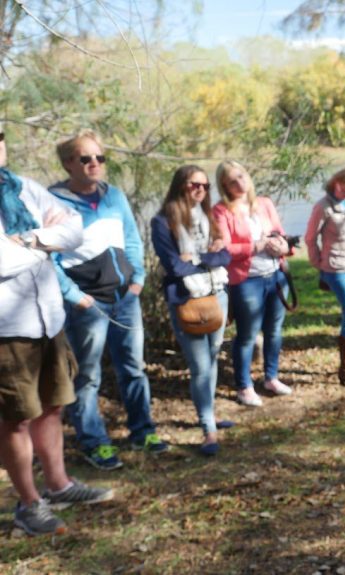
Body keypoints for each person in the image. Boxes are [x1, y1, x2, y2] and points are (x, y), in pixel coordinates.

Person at [0, 128, 113, 535]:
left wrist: (30, 239)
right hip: (7, 330)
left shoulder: (23, 188)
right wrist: (45, 245)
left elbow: (74, 230)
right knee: (15, 418)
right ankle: (29, 505)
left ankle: (59, 484)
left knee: (52, 404)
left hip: (47, 318)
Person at [49, 130, 167, 471]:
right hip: (87, 304)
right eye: (85, 159)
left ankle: (142, 431)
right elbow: (49, 259)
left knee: (134, 368)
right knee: (87, 376)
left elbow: (130, 237)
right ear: (69, 163)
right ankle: (95, 443)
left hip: (125, 298)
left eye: (100, 158)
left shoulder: (114, 196)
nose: (95, 164)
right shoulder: (53, 202)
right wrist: (75, 297)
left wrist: (138, 279)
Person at [151, 165, 232, 456]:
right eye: (193, 185)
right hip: (187, 300)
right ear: (180, 186)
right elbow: (174, 265)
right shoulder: (163, 222)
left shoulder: (208, 217)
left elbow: (225, 256)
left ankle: (208, 411)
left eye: (205, 185)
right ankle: (208, 427)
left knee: (212, 359)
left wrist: (198, 257)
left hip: (217, 294)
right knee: (200, 367)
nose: (200, 190)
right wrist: (208, 257)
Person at [212, 160, 293, 407]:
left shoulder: (264, 204)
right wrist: (254, 247)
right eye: (232, 180)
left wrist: (283, 245)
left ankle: (271, 377)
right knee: (247, 335)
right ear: (224, 185)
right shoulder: (221, 211)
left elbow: (280, 232)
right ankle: (244, 386)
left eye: (242, 176)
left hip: (276, 276)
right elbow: (225, 248)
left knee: (274, 330)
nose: (239, 183)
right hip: (247, 281)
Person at [304, 168, 345, 385]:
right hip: (334, 267)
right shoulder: (323, 206)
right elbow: (310, 238)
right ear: (335, 182)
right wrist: (318, 264)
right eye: (342, 186)